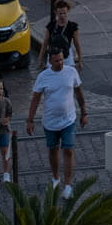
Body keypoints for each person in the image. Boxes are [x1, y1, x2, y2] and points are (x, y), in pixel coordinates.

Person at [27, 47, 86, 199]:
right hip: (50, 122)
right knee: (53, 150)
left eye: (61, 59)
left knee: (68, 150)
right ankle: (55, 177)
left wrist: (84, 112)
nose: (60, 63)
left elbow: (79, 93)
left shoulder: (71, 72)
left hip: (69, 120)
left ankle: (67, 184)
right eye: (56, 60)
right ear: (50, 61)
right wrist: (30, 120)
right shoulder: (43, 76)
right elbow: (35, 99)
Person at [44, 0, 83, 70]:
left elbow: (77, 44)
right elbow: (45, 43)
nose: (62, 16)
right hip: (53, 56)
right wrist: (40, 59)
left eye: (64, 13)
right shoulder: (51, 26)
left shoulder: (72, 27)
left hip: (67, 57)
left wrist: (80, 60)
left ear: (68, 11)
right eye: (60, 13)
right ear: (55, 12)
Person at [0, 79, 18, 183]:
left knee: (5, 152)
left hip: (4, 130)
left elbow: (10, 113)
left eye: (1, 88)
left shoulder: (6, 101)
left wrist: (7, 119)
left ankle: (6, 173)